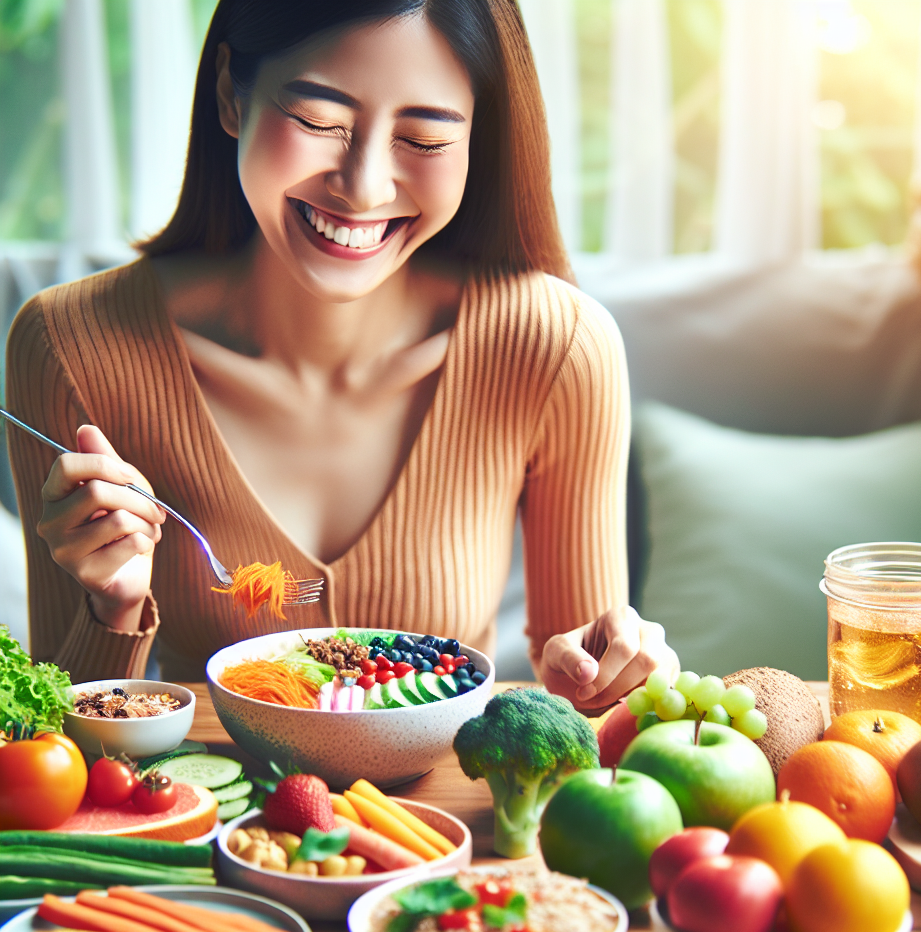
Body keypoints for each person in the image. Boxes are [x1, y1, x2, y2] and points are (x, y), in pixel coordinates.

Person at [6, 0, 676, 711]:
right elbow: (50, 754)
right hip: (199, 815)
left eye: (423, 139)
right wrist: (113, 609)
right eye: (320, 122)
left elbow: (587, 710)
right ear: (232, 94)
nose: (363, 188)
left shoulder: (558, 345)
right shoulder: (70, 343)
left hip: (438, 820)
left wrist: (620, 676)